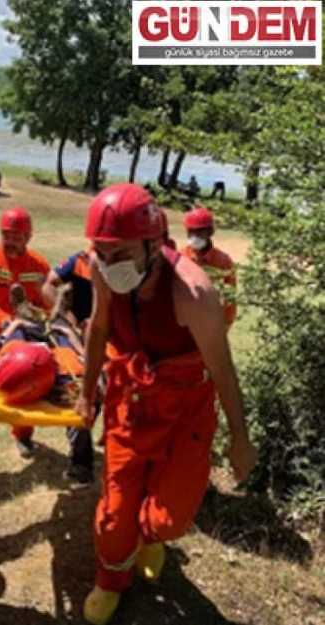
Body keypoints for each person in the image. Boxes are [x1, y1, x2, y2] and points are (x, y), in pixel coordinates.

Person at [76, 183, 257, 625]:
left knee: (171, 519)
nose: (108, 262)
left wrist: (240, 438)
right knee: (114, 515)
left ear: (154, 244)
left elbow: (223, 369)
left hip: (186, 405)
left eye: (119, 253)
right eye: (101, 251)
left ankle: (151, 536)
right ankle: (111, 579)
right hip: (130, 399)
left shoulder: (193, 293)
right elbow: (99, 329)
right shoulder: (102, 270)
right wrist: (86, 393)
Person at [0, 207, 51, 468]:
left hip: (22, 340)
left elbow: (46, 302)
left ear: (29, 236)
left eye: (17, 236)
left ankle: (23, 436)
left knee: (25, 389)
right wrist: (3, 320)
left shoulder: (39, 266)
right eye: (6, 234)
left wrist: (36, 318)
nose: (10, 240)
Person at [41, 248, 96, 484]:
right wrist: (68, 319)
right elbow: (48, 285)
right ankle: (80, 461)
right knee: (78, 391)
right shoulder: (78, 261)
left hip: (111, 337)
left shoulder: (124, 261)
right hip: (78, 336)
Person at [183, 207, 237, 328]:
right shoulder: (179, 258)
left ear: (210, 232)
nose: (194, 236)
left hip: (210, 326)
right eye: (190, 231)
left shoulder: (224, 262)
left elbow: (230, 301)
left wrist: (222, 328)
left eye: (199, 231)